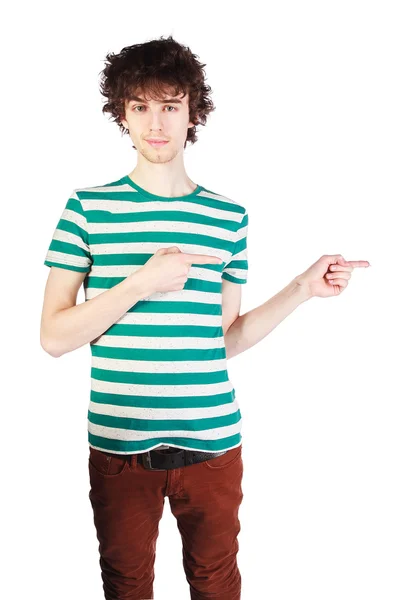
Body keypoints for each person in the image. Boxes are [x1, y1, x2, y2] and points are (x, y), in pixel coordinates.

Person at [40, 35, 370, 600]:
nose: (156, 123)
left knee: (217, 583)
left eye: (170, 105)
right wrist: (139, 283)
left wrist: (300, 289)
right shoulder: (87, 208)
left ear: (193, 111)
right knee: (125, 585)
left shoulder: (227, 216)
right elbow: (52, 336)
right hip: (120, 445)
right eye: (140, 107)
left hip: (213, 443)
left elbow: (223, 338)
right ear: (122, 114)